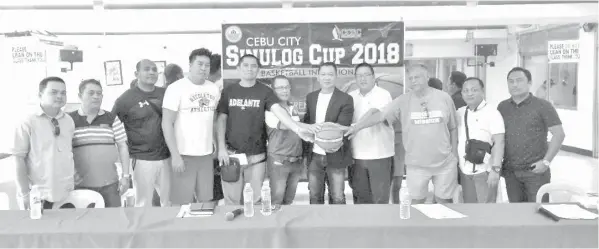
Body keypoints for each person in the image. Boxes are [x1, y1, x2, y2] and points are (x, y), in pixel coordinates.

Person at [346, 64, 459, 204]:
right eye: (410, 78)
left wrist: (454, 153)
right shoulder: (403, 100)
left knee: (444, 202)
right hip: (416, 165)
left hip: (444, 163)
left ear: (427, 77)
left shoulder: (444, 98)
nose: (413, 81)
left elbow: (453, 127)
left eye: (417, 77)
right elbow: (380, 116)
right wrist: (356, 128)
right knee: (416, 204)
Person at [216, 54, 317, 205]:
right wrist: (221, 149)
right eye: (246, 65)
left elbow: (278, 110)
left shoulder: (265, 92)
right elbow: (221, 120)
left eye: (254, 66)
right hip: (232, 156)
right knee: (232, 202)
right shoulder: (228, 91)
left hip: (257, 157)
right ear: (238, 68)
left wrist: (297, 128)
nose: (250, 69)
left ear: (259, 70)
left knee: (255, 201)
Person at [497, 67, 565, 203]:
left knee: (539, 213)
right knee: (517, 213)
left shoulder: (543, 106)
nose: (514, 84)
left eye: (519, 80)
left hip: (535, 172)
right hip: (511, 172)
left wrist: (546, 162)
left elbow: (559, 134)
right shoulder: (502, 107)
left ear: (529, 83)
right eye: (511, 81)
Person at [162, 48, 220, 205]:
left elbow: (212, 118)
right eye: (199, 64)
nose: (203, 68)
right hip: (183, 155)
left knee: (206, 201)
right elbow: (167, 122)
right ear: (190, 65)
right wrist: (175, 155)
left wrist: (214, 142)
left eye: (207, 65)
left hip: (206, 155)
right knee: (181, 202)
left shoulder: (213, 89)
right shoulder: (176, 88)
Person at [8, 76, 75, 210]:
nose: (59, 96)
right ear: (40, 95)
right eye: (54, 92)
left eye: (63, 93)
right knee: (40, 231)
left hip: (66, 192)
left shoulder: (68, 120)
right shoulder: (27, 121)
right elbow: (18, 159)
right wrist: (24, 193)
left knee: (68, 230)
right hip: (38, 195)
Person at [112, 59, 171, 207]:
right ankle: (143, 229)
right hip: (142, 159)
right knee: (143, 203)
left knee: (169, 202)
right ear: (136, 73)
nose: (151, 72)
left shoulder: (166, 94)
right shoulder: (125, 99)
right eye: (146, 69)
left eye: (154, 69)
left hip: (167, 157)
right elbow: (112, 125)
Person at [68, 79, 131, 207]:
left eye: (99, 93)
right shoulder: (69, 120)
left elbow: (123, 146)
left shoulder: (111, 118)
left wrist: (125, 176)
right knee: (85, 224)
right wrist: (71, 172)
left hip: (110, 185)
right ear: (80, 96)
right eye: (91, 93)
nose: (96, 96)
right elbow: (63, 151)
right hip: (80, 186)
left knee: (113, 222)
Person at [303, 62, 354, 205]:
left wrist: (321, 130)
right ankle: (316, 226)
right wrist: (308, 129)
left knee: (337, 197)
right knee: (314, 195)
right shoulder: (311, 97)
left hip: (336, 154)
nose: (327, 78)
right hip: (315, 155)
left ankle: (337, 226)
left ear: (336, 76)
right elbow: (307, 122)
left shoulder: (345, 99)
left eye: (330, 74)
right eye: (323, 74)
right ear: (318, 77)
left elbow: (343, 126)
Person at [348, 63, 394, 204]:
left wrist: (356, 127)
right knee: (360, 199)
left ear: (373, 77)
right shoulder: (350, 97)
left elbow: (377, 115)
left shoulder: (383, 94)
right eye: (359, 75)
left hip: (380, 155)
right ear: (355, 78)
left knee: (380, 200)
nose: (363, 79)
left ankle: (381, 226)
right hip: (356, 156)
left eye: (366, 75)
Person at [457, 77, 504, 203]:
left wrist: (495, 170)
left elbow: (499, 142)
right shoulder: (460, 113)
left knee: (487, 212)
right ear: (461, 94)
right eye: (465, 91)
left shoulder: (492, 113)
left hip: (485, 172)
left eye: (474, 90)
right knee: (469, 210)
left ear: (482, 91)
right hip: (465, 172)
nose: (469, 93)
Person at [265, 75, 303, 205]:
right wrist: (312, 127)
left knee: (289, 201)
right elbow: (287, 125)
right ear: (272, 89)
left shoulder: (293, 108)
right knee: (277, 200)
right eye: (280, 88)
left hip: (296, 161)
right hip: (279, 162)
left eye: (287, 87)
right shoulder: (270, 110)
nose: (285, 90)